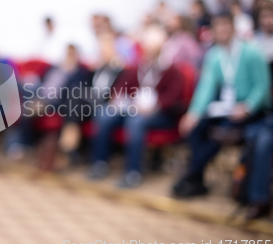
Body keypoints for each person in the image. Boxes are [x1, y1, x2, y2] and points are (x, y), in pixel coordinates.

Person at [174, 14, 272, 219]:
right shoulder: (215, 55)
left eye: (225, 28)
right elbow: (206, 88)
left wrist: (248, 106)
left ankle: (191, 174)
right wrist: (193, 113)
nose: (222, 32)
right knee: (196, 129)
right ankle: (196, 177)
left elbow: (262, 86)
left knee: (220, 133)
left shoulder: (252, 52)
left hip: (250, 110)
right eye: (218, 29)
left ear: (233, 29)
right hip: (225, 109)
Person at [88, 28, 184, 187]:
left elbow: (174, 96)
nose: (148, 52)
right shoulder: (138, 67)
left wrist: (155, 105)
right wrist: (118, 99)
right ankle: (100, 164)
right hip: (134, 108)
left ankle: (133, 172)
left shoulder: (171, 70)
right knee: (104, 115)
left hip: (160, 114)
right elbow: (120, 87)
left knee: (136, 122)